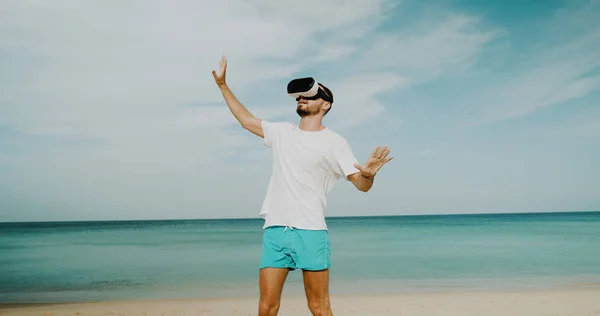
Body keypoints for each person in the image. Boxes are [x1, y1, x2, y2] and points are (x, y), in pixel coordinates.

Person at [212, 55, 393, 316]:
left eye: (309, 96)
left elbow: (361, 185)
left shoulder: (336, 142)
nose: (301, 99)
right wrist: (223, 86)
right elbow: (246, 120)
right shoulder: (282, 132)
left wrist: (369, 175)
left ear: (326, 105)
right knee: (266, 306)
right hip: (276, 230)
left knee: (318, 307)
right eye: (298, 97)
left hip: (311, 230)